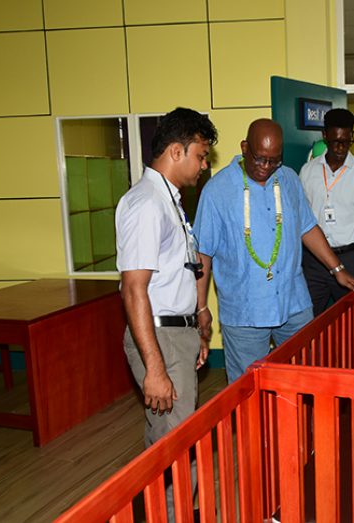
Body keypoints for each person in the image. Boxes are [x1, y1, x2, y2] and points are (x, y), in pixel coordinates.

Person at [194, 118, 354, 383]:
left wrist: (338, 269)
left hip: (293, 303)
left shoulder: (288, 179)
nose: (266, 167)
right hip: (245, 313)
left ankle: (298, 426)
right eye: (260, 159)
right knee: (249, 387)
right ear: (244, 148)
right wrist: (201, 306)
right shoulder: (217, 191)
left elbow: (307, 227)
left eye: (274, 160)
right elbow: (202, 254)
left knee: (305, 379)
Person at [115, 107, 216, 521]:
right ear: (176, 151)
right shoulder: (144, 205)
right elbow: (134, 289)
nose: (205, 164)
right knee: (175, 448)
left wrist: (199, 317)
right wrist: (155, 367)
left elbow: (183, 267)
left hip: (177, 336)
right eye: (202, 155)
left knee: (174, 440)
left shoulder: (168, 200)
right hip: (160, 339)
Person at [299, 108, 354, 312]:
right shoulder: (307, 171)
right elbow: (300, 221)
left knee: (352, 323)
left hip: (351, 259)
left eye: (346, 142)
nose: (340, 147)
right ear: (324, 136)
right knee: (308, 323)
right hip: (314, 261)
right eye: (335, 141)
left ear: (352, 137)